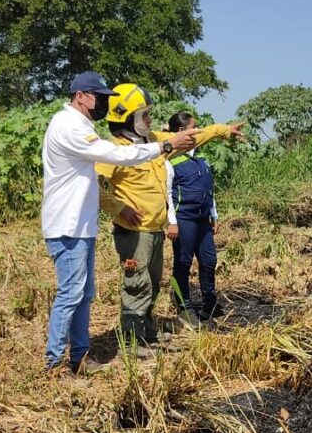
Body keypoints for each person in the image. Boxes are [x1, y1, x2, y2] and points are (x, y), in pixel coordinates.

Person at [41, 71, 196, 373]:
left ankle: (80, 357)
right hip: (66, 225)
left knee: (83, 294)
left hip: (81, 226)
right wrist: (164, 147)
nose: (102, 104)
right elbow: (114, 154)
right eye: (99, 97)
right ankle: (55, 363)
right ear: (81, 96)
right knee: (71, 293)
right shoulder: (68, 125)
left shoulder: (81, 125)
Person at [96, 86, 245, 354]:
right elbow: (92, 186)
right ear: (128, 118)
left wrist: (223, 130)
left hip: (155, 229)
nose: (150, 120)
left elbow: (189, 138)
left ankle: (146, 330)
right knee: (136, 284)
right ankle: (131, 341)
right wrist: (118, 208)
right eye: (145, 115)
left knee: (152, 283)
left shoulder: (152, 141)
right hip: (133, 232)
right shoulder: (112, 151)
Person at [167, 112, 229, 325]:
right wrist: (172, 221)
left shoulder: (202, 158)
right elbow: (166, 193)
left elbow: (209, 188)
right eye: (194, 127)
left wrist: (214, 214)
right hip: (184, 218)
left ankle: (209, 302)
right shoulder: (171, 160)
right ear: (181, 131)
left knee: (209, 260)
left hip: (203, 219)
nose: (198, 130)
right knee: (183, 263)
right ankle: (184, 307)